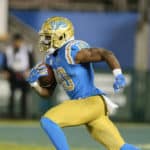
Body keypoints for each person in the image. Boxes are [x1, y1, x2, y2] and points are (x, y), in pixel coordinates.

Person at [27, 17, 140, 150]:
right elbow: (48, 94)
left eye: (48, 37)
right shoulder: (51, 59)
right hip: (93, 107)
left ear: (61, 36)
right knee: (120, 147)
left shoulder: (71, 51)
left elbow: (105, 53)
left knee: (48, 121)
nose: (44, 41)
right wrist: (34, 84)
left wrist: (118, 75)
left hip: (89, 102)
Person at [4, 33, 34, 118]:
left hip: (24, 74)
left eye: (19, 41)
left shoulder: (27, 50)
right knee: (12, 94)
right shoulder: (9, 50)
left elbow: (32, 61)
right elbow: (6, 63)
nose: (17, 43)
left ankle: (24, 114)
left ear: (22, 42)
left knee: (24, 94)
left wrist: (29, 71)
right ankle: (11, 114)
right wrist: (6, 71)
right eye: (16, 41)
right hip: (13, 74)